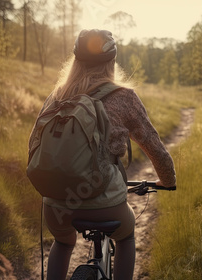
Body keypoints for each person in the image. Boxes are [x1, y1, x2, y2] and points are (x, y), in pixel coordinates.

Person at [41, 29, 176, 280]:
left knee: (62, 243)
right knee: (126, 236)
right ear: (112, 62)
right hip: (104, 204)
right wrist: (167, 181)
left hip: (56, 204)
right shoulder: (123, 97)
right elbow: (155, 149)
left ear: (76, 62)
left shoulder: (57, 96)